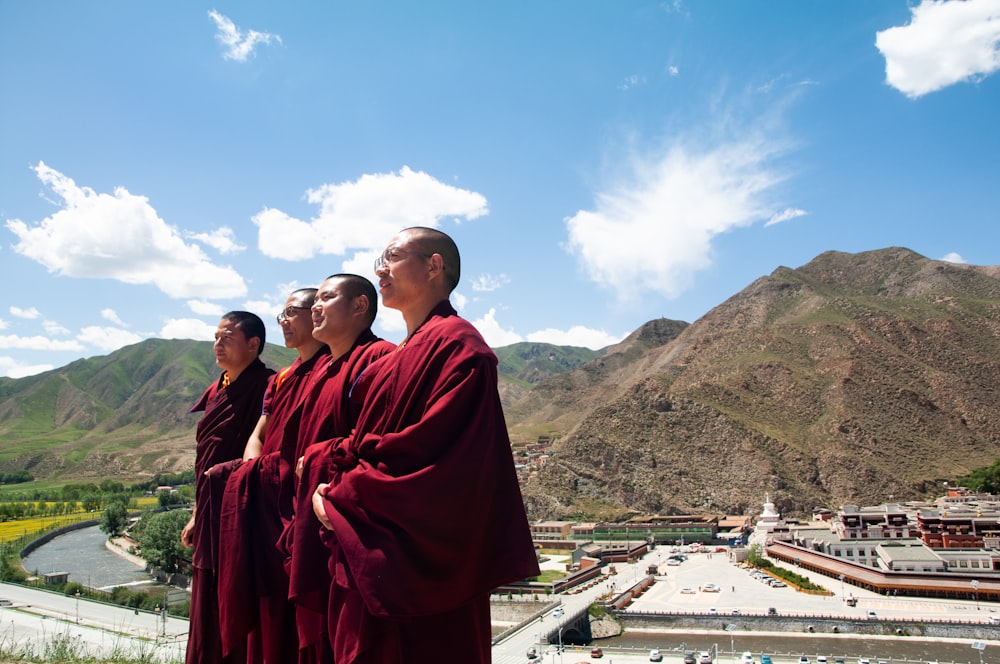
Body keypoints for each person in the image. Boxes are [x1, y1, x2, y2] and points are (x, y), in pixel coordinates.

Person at [312, 227, 539, 663]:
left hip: (426, 570)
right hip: (374, 559)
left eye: (393, 256)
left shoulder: (461, 349)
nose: (380, 268)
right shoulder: (396, 358)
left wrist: (340, 498)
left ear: (434, 266)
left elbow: (442, 468)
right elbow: (373, 448)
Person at [280, 274, 394, 664]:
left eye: (326, 298)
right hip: (311, 519)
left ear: (360, 306)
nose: (316, 307)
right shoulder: (322, 371)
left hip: (347, 523)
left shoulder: (380, 359)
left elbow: (377, 447)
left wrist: (316, 461)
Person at [216, 289, 328, 663]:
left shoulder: (336, 368)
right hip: (268, 502)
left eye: (291, 312)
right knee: (270, 608)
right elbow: (259, 436)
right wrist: (253, 472)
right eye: (281, 314)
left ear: (317, 315)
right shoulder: (279, 380)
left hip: (303, 507)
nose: (283, 321)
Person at [182, 311, 274, 664]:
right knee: (206, 597)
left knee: (235, 593)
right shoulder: (218, 389)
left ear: (253, 344)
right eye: (216, 337)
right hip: (209, 507)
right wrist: (195, 514)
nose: (217, 345)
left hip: (242, 509)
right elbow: (205, 459)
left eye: (227, 337)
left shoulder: (268, 386)